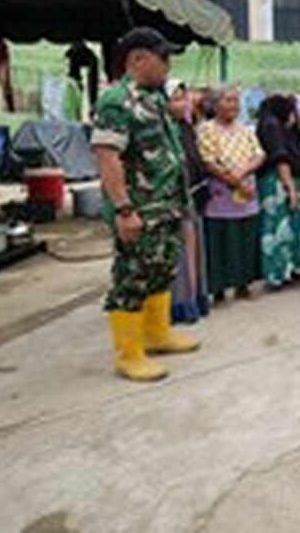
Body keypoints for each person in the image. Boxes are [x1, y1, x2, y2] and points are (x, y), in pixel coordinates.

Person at [90, 27, 199, 382]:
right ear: (138, 58)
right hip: (139, 208)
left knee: (161, 269)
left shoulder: (152, 99)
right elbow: (108, 157)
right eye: (162, 57)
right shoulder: (116, 101)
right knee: (132, 277)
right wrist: (124, 209)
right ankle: (129, 354)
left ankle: (157, 334)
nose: (169, 64)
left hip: (165, 205)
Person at [197, 87, 265, 303]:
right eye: (228, 100)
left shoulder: (246, 129)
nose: (233, 106)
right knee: (220, 240)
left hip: (247, 192)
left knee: (245, 238)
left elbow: (259, 154)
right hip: (221, 194)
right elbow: (208, 161)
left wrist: (243, 174)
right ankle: (218, 289)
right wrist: (234, 182)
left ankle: (243, 284)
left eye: (236, 101)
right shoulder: (206, 129)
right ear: (216, 105)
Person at [256, 94, 300, 290]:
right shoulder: (271, 126)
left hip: (291, 179)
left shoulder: (281, 125)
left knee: (291, 229)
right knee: (277, 229)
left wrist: (296, 109)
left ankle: (288, 269)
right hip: (278, 182)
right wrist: (290, 187)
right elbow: (280, 157)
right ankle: (275, 274)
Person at [166, 79, 212, 324]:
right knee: (180, 256)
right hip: (173, 201)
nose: (181, 103)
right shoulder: (161, 130)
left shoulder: (185, 126)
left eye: (182, 98)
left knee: (194, 253)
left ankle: (194, 300)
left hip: (193, 196)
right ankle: (179, 306)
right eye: (175, 98)